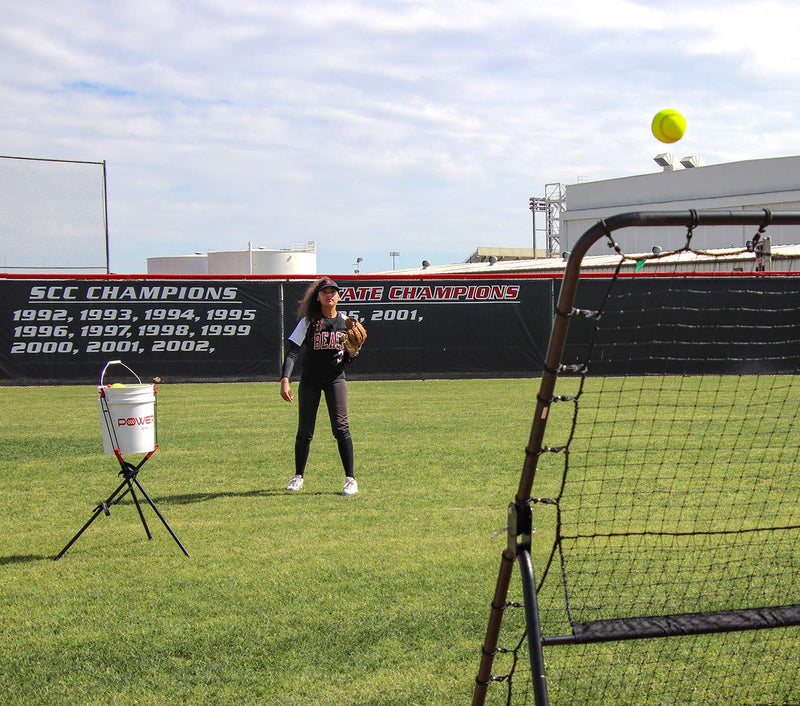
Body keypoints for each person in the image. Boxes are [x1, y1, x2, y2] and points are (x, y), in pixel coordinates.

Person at [280, 277, 359, 496]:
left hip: (335, 378)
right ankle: (298, 476)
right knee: (305, 430)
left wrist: (353, 354)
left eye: (334, 291)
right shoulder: (309, 321)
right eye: (325, 292)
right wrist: (285, 378)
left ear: (339, 296)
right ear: (318, 297)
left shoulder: (346, 322)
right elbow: (293, 351)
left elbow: (349, 356)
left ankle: (351, 479)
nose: (330, 295)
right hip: (310, 380)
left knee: (341, 427)